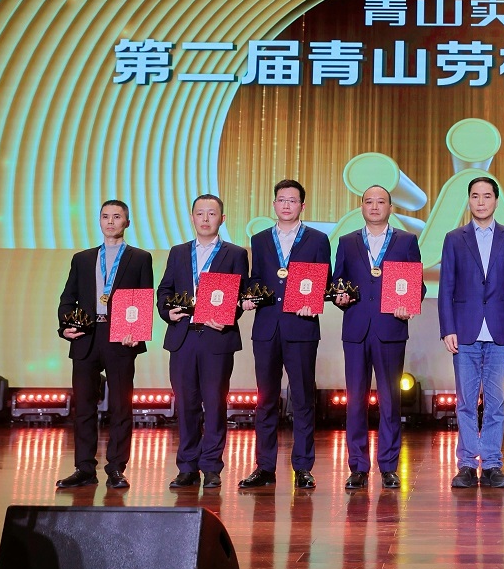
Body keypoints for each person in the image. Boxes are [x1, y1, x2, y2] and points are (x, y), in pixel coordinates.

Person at [238, 179, 332, 490]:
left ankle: (303, 467)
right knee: (265, 400)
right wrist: (249, 296)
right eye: (282, 199)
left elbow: (324, 280)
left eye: (293, 200)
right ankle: (264, 467)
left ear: (302, 205)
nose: (287, 205)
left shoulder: (318, 239)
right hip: (266, 327)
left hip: (301, 327)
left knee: (303, 399)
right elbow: (255, 279)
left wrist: (313, 302)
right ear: (274, 204)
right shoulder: (260, 239)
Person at [439, 176, 504, 488]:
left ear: (496, 200)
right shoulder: (454, 238)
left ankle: (491, 464)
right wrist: (447, 328)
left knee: (496, 403)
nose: (481, 202)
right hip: (464, 330)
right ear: (469, 200)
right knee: (465, 402)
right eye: (475, 196)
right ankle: (466, 464)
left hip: (500, 330)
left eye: (487, 196)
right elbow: (446, 287)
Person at [56, 200, 153, 489]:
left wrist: (136, 331)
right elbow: (67, 299)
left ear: (127, 222)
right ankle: (84, 468)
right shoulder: (82, 259)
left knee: (121, 405)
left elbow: (144, 298)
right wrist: (66, 326)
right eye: (105, 216)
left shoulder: (140, 258)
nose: (110, 221)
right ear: (99, 221)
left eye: (117, 216)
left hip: (121, 336)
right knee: (84, 406)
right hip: (86, 336)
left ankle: (116, 468)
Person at [332, 185, 424, 490]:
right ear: (361, 207)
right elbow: (338, 282)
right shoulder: (347, 242)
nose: (374, 206)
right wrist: (339, 297)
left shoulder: (406, 240)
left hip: (390, 329)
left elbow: (418, 285)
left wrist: (408, 305)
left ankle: (388, 466)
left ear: (390, 207)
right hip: (356, 330)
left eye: (380, 201)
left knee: (390, 401)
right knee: (355, 402)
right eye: (369, 201)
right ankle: (357, 466)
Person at [157, 194, 249, 490]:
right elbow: (164, 290)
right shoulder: (178, 252)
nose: (205, 219)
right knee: (186, 405)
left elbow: (241, 295)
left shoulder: (235, 253)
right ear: (192, 218)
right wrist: (167, 312)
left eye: (212, 213)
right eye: (200, 213)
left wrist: (229, 315)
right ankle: (186, 467)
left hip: (216, 338)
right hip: (183, 337)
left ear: (222, 219)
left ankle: (211, 466)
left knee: (215, 404)